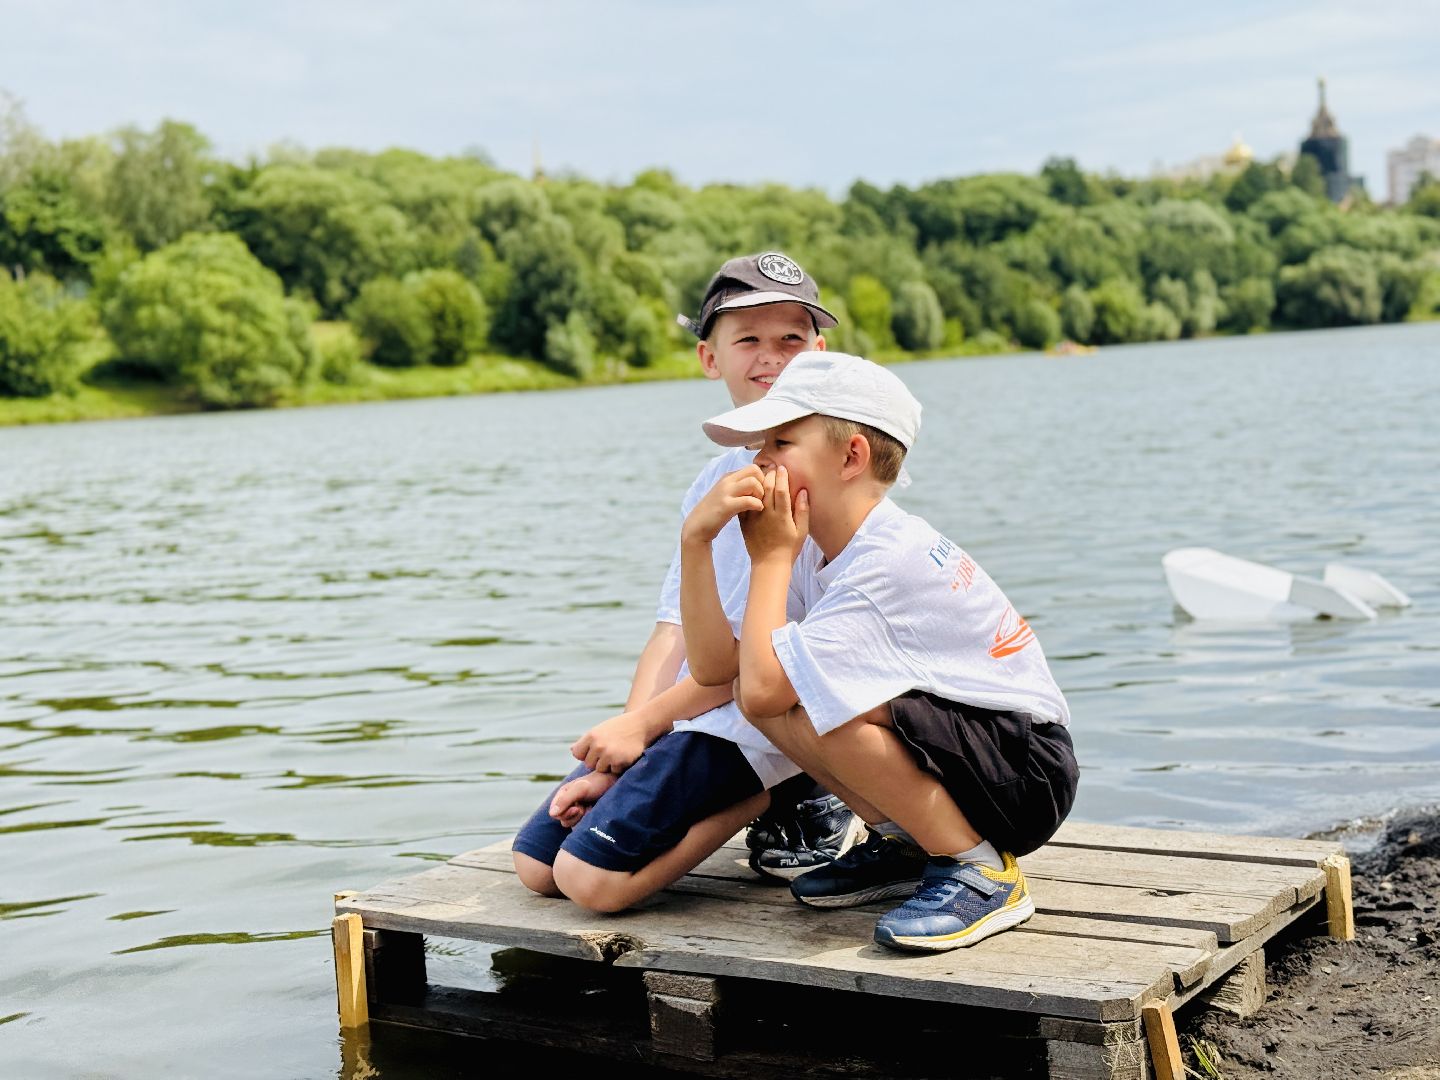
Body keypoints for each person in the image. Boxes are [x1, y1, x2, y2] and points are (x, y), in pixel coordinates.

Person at [679, 351, 1078, 952]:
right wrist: (696, 542)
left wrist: (769, 558)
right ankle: (911, 844)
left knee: (816, 699)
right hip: (982, 754)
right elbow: (722, 672)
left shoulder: (883, 561)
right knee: (776, 692)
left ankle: (982, 870)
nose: (759, 461)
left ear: (852, 456)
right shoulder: (819, 547)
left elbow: (766, 689)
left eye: (781, 443)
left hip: (1026, 771)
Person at [510, 252, 857, 912]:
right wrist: (630, 735)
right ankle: (743, 787)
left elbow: (763, 666)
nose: (771, 357)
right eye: (747, 340)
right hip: (692, 707)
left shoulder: (827, 479)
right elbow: (673, 627)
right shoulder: (713, 479)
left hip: (766, 713)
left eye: (790, 339)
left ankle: (794, 789)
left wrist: (647, 727)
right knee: (536, 866)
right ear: (709, 358)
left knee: (590, 885)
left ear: (820, 351)